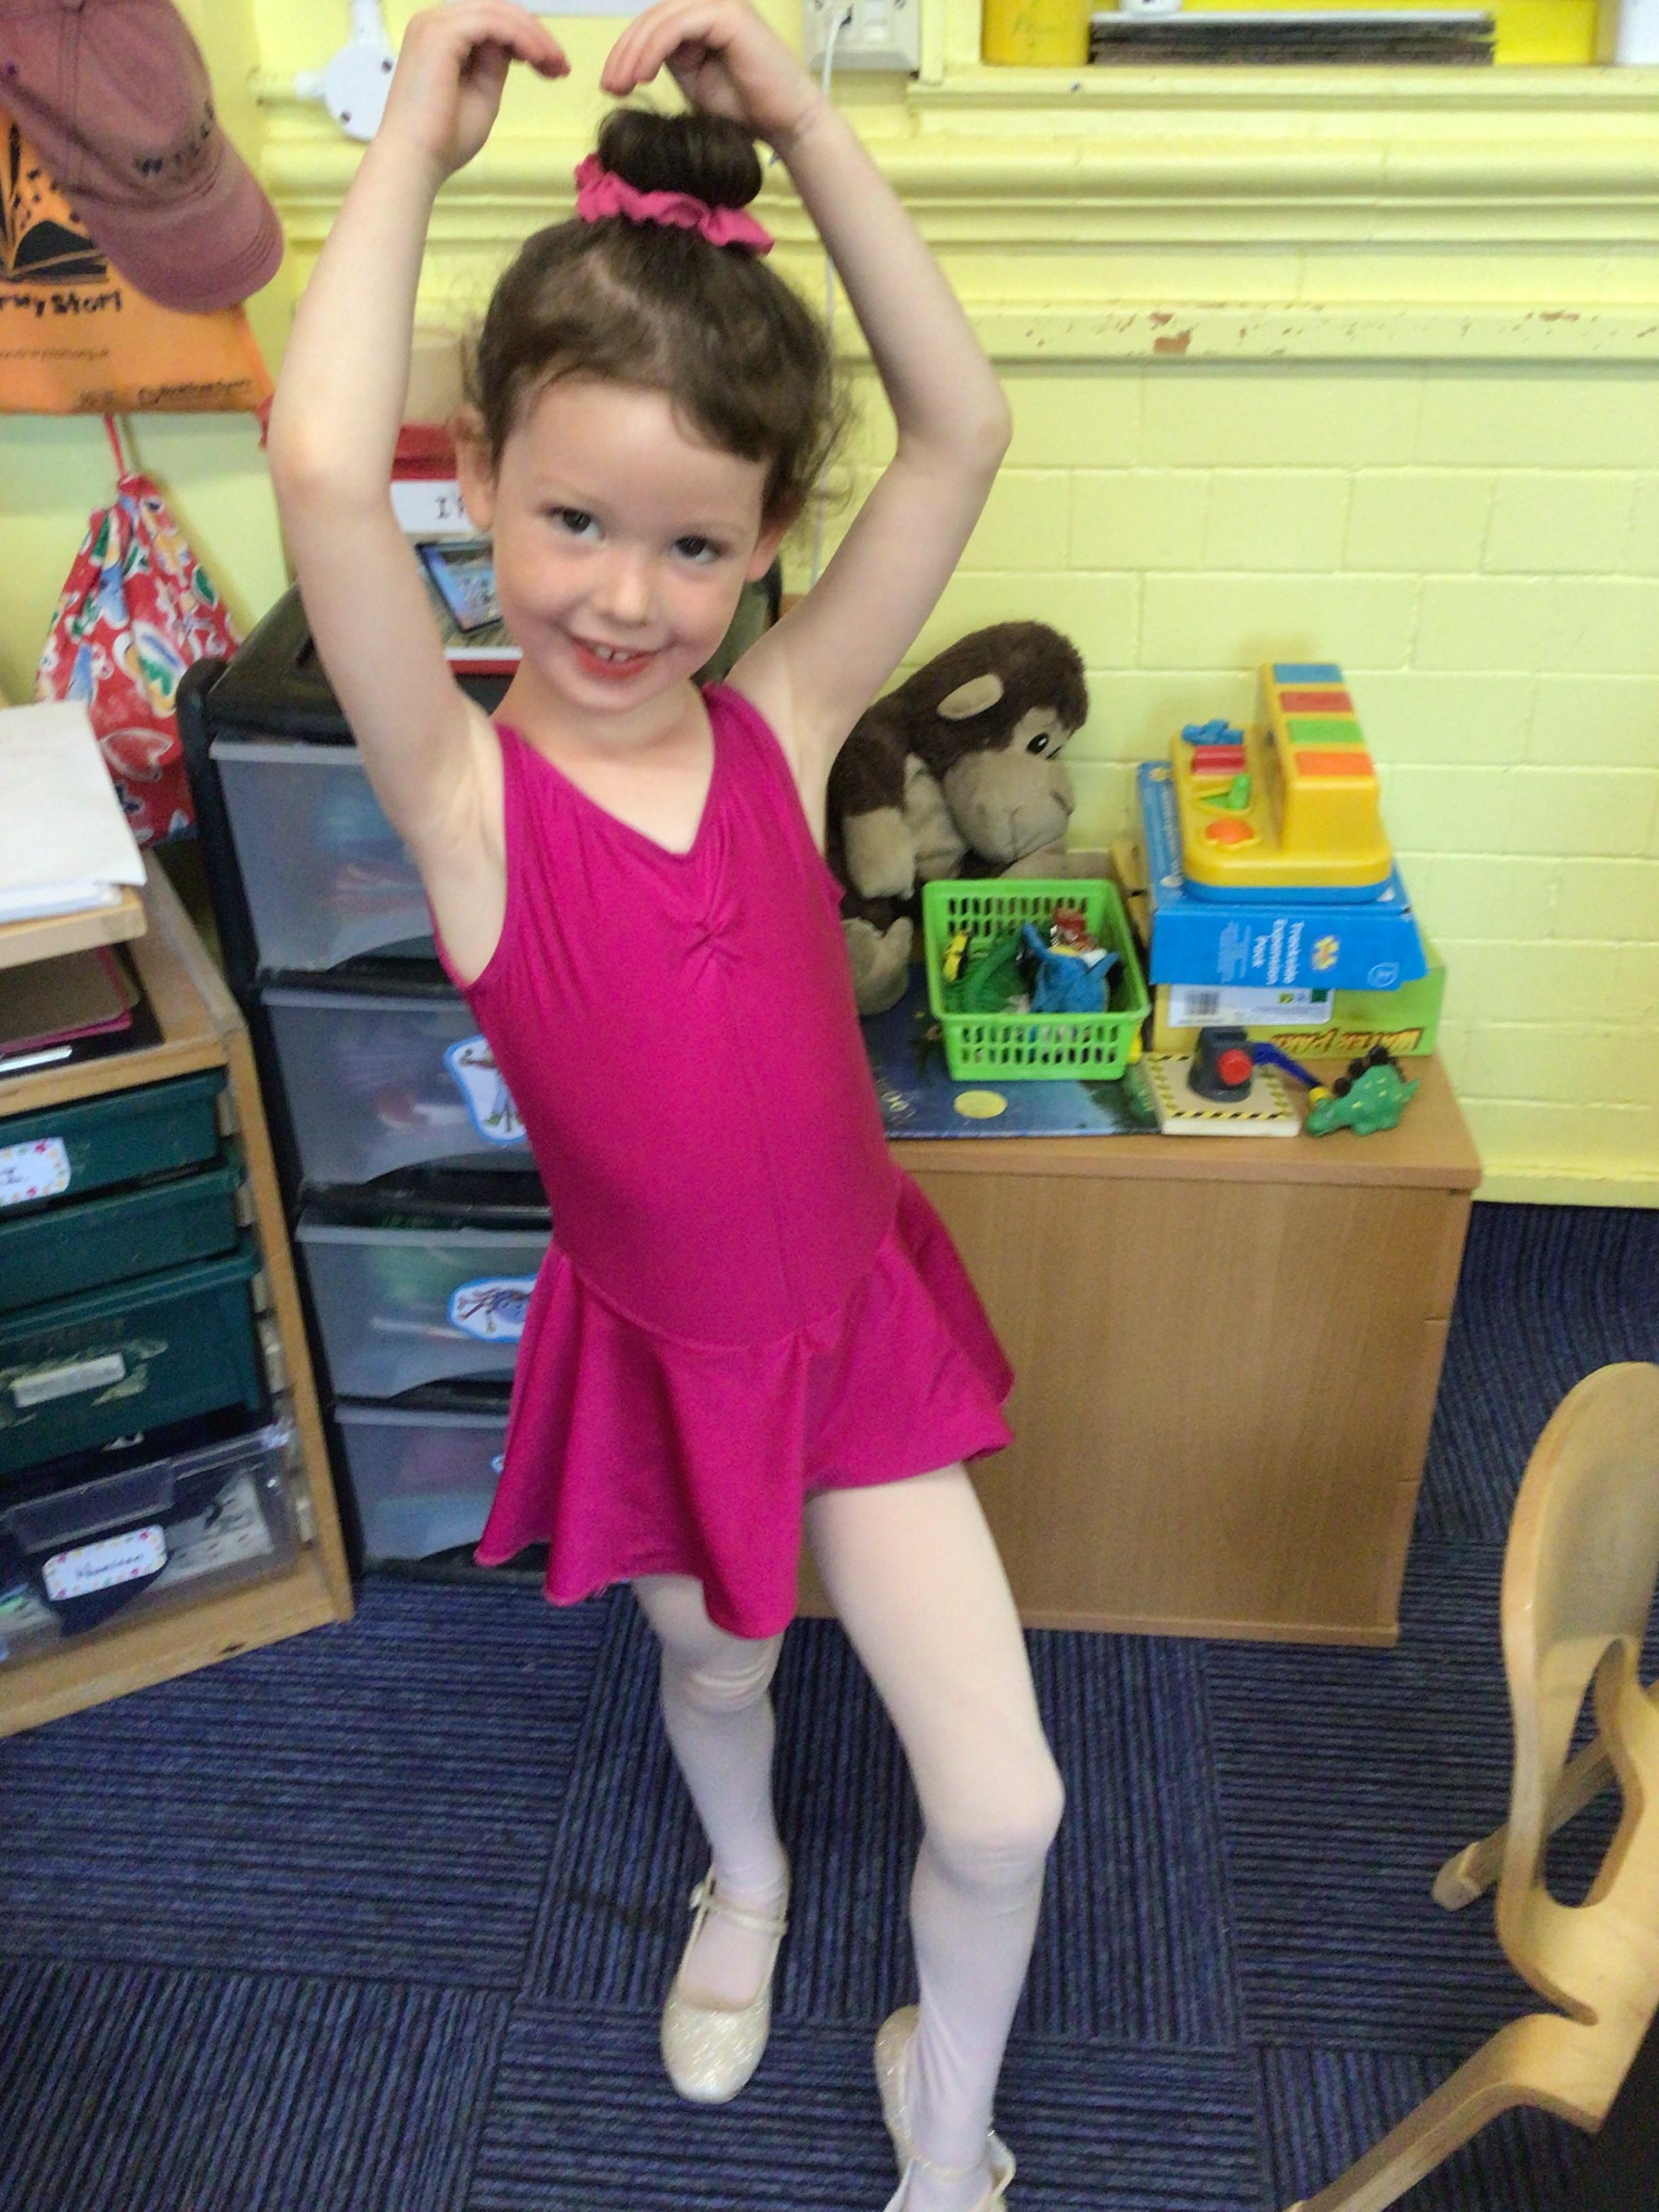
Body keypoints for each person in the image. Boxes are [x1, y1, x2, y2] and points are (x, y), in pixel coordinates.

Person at [268, 6, 1065, 2207]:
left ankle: (943, 2120)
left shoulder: (782, 723)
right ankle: (749, 1877)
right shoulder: (467, 806)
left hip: (855, 1340)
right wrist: (410, 149)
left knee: (1007, 1805)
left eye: (694, 550)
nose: (626, 597)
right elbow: (317, 467)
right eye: (573, 522)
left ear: (767, 542)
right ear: (478, 479)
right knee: (721, 1683)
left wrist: (803, 120)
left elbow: (962, 428)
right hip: (670, 1357)